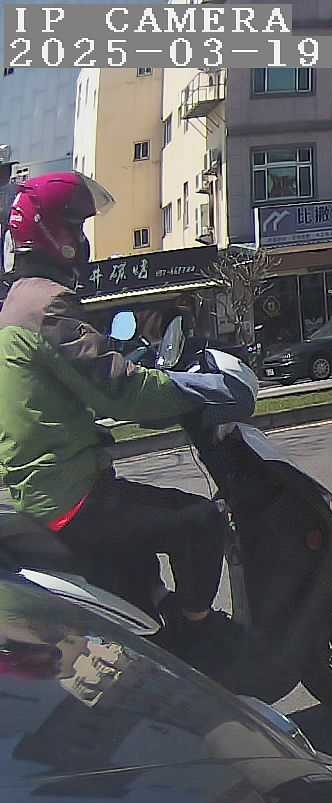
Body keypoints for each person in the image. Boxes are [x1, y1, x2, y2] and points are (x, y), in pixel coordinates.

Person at [0, 171, 234, 660]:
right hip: (69, 494)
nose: (82, 240)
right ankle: (200, 637)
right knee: (201, 522)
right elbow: (117, 390)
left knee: (143, 562)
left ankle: (166, 634)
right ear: (49, 233)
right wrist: (195, 390)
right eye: (75, 227)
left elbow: (84, 378)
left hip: (48, 487)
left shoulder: (18, 303)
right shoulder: (47, 306)